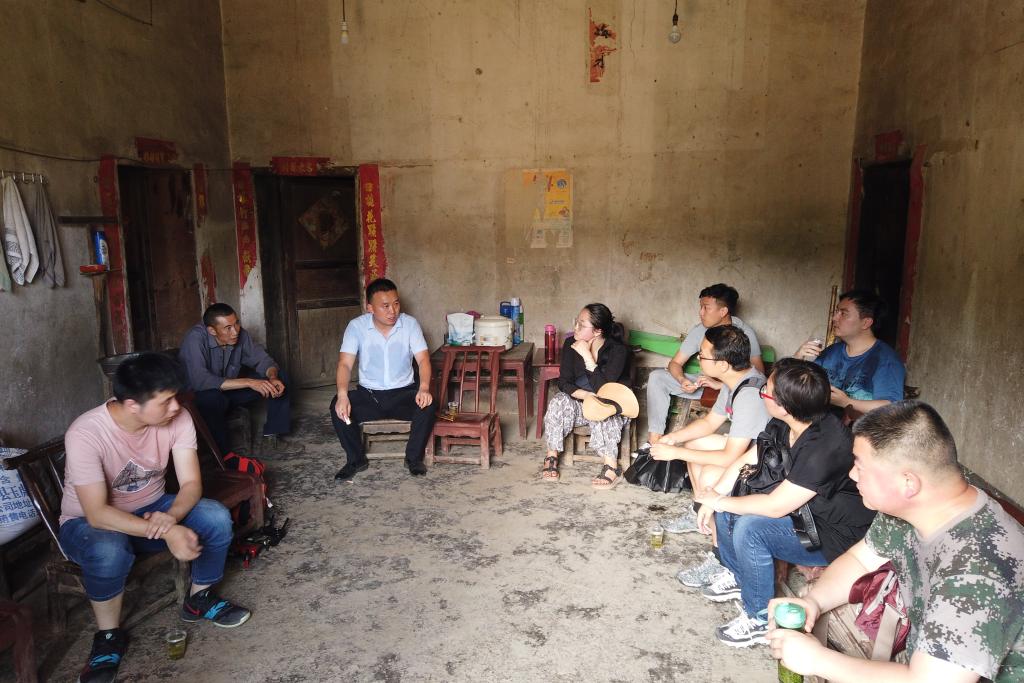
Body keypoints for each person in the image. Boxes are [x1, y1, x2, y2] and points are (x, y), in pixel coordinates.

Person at [766, 400, 1024, 681]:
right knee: (815, 610)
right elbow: (860, 560)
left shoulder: (976, 571)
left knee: (815, 656)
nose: (852, 474)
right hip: (923, 647)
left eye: (860, 466)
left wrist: (818, 660)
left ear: (908, 483)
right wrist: (813, 602)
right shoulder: (925, 502)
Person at [60, 353, 251, 683]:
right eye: (165, 401)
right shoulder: (86, 432)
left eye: (176, 397)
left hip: (154, 507)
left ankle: (199, 598)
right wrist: (166, 531)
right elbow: (97, 513)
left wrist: (170, 517)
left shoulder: (178, 418)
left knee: (215, 517)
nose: (176, 407)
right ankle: (108, 636)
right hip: (88, 524)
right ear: (132, 405)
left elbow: (191, 484)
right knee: (109, 549)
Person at [677, 358, 875, 647]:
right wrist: (714, 497)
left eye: (765, 391)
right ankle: (737, 575)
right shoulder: (785, 422)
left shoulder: (826, 445)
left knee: (751, 528)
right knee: (732, 500)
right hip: (804, 512)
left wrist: (719, 501)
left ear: (784, 406)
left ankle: (758, 617)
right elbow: (749, 459)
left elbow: (776, 507)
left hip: (831, 532)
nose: (762, 394)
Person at [651, 325, 769, 533]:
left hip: (764, 463)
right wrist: (673, 438)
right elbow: (709, 423)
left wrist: (675, 453)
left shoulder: (750, 394)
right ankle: (699, 512)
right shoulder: (733, 381)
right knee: (693, 443)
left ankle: (715, 531)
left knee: (709, 475)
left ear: (722, 364)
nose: (698, 358)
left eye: (702, 355)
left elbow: (729, 457)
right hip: (747, 449)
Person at [331, 278, 436, 479]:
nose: (392, 311)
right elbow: (344, 364)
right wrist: (342, 395)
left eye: (396, 304)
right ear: (370, 307)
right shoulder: (356, 327)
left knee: (428, 405)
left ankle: (413, 459)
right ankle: (355, 460)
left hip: (403, 394)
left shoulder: (410, 324)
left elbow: (423, 359)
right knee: (338, 406)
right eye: (385, 306)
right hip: (370, 396)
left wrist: (423, 387)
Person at [646, 283, 764, 444]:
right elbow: (675, 363)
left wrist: (720, 385)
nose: (701, 313)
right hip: (705, 383)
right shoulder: (700, 330)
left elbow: (758, 375)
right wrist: (682, 379)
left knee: (699, 442)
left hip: (731, 387)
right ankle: (654, 441)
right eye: (700, 307)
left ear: (723, 311)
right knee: (657, 377)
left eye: (706, 308)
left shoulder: (742, 333)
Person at [179, 303, 293, 456]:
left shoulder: (240, 334)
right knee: (213, 398)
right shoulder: (195, 338)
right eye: (228, 328)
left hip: (228, 393)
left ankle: (272, 436)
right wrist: (250, 382)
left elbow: (264, 361)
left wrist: (272, 377)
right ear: (212, 330)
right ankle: (225, 456)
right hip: (200, 398)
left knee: (280, 377)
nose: (235, 331)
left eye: (236, 323)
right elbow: (201, 381)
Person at [541, 303, 632, 489]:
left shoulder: (617, 351)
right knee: (558, 401)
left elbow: (605, 391)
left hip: (612, 406)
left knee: (602, 410)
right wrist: (587, 396)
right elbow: (564, 382)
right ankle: (551, 456)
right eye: (576, 322)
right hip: (582, 404)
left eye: (581, 325)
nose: (575, 328)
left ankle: (612, 468)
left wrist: (587, 357)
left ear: (597, 331)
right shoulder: (570, 344)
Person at [795, 289, 905, 413]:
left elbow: (892, 408)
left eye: (844, 313)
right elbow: (805, 383)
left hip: (857, 425)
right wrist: (797, 358)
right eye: (836, 312)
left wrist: (846, 402)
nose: (834, 318)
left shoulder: (886, 359)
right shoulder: (832, 351)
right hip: (818, 420)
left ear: (865, 323)